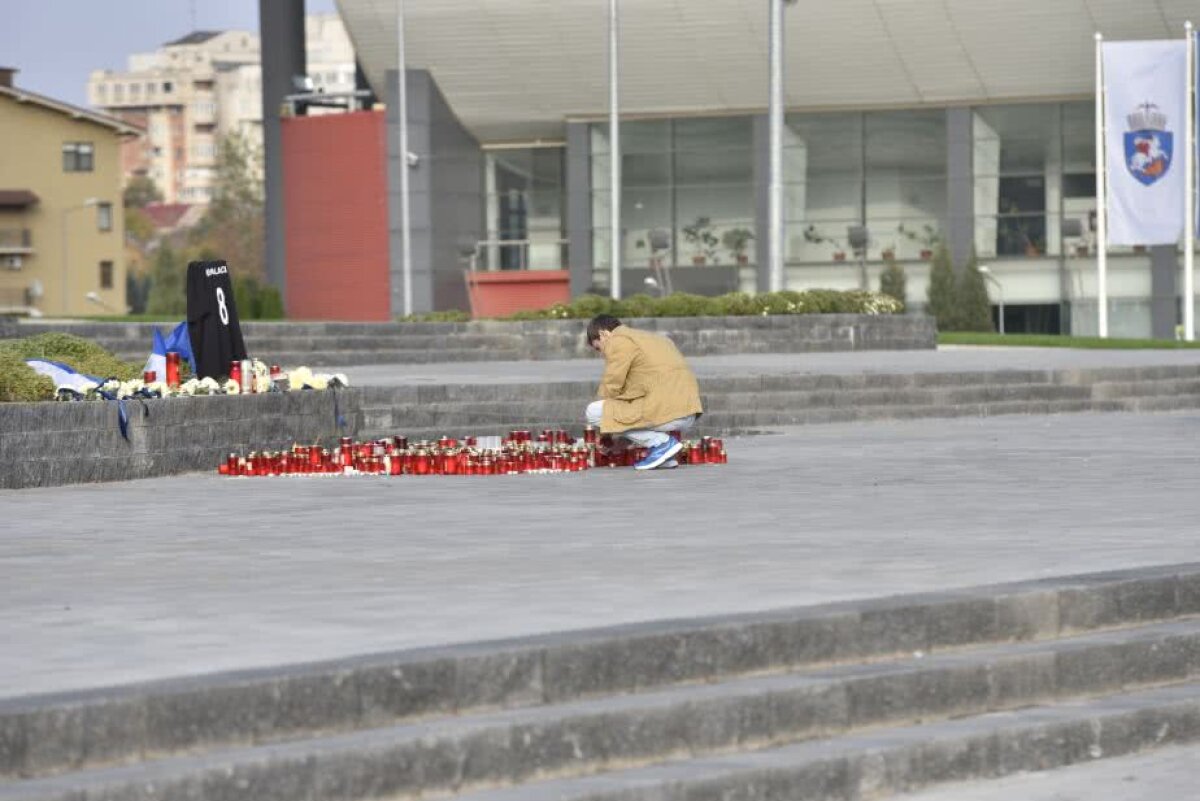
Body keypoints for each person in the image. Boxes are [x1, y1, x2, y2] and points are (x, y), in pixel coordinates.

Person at [585, 314, 703, 470]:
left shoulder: (618, 340)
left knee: (594, 411)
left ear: (603, 334)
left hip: (666, 410)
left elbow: (611, 386)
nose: (602, 354)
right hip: (687, 411)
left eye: (598, 347)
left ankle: (662, 444)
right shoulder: (657, 339)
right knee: (621, 413)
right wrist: (620, 437)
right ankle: (664, 456)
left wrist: (606, 430)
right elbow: (632, 402)